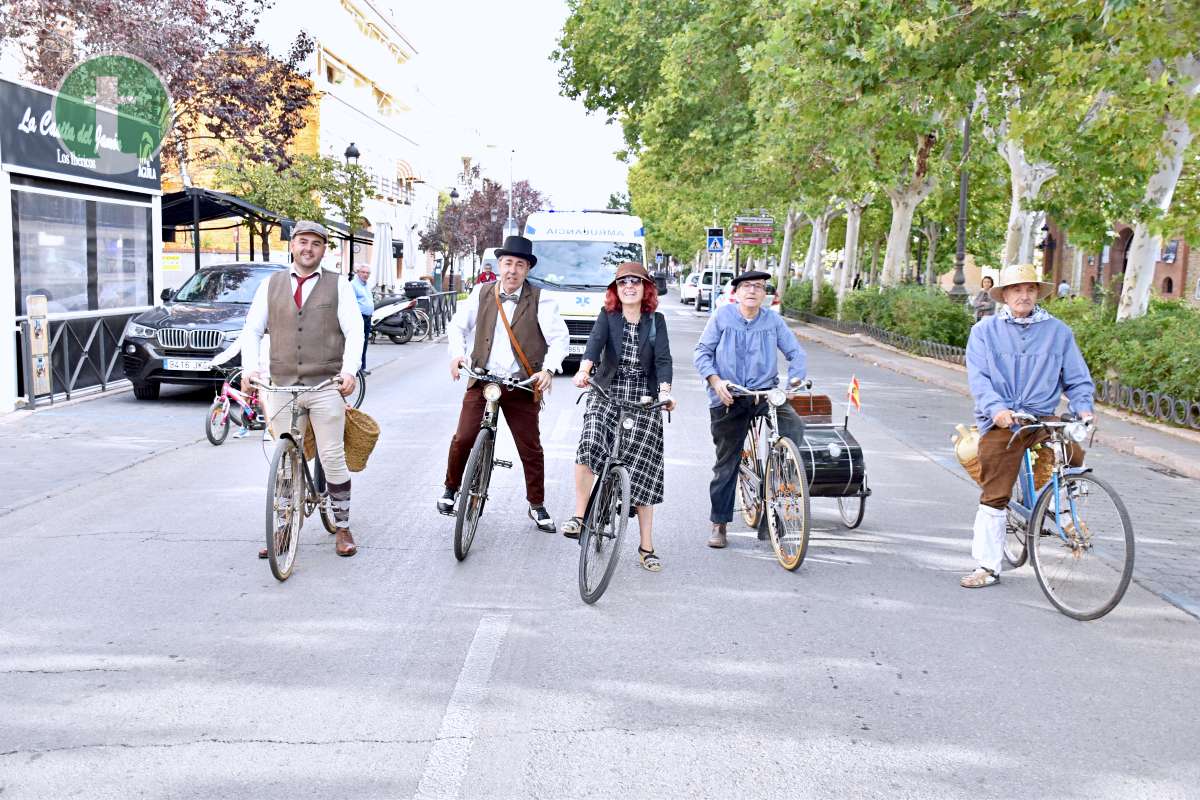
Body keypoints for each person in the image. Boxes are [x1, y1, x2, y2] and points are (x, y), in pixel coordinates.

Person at [961, 263, 1095, 588]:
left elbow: (1077, 380)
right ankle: (987, 567)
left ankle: (1065, 509)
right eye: (1016, 289)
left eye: (1030, 289)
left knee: (1074, 445)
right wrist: (996, 410)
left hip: (1041, 416)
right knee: (995, 491)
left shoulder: (1058, 332)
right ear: (1004, 294)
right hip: (1003, 419)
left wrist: (1084, 410)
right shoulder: (984, 331)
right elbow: (979, 380)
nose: (1024, 295)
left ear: (1037, 293)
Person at [241, 220, 364, 558]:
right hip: (281, 386)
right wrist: (250, 367)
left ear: (324, 250)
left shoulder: (339, 286)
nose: (308, 248)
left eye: (316, 243)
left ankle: (342, 526)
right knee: (284, 462)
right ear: (292, 245)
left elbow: (355, 331)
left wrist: (350, 371)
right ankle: (284, 527)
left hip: (325, 384)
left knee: (332, 457)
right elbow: (252, 330)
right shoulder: (271, 284)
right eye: (302, 242)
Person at [439, 235, 569, 532]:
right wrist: (457, 355)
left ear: (527, 269)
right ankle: (450, 488)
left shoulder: (541, 298)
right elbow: (458, 326)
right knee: (463, 437)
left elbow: (560, 339)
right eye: (508, 263)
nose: (512, 270)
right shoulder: (482, 292)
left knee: (531, 448)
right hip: (484, 380)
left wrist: (548, 369)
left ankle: (537, 505)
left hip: (521, 384)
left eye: (519, 265)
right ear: (499, 265)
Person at [565, 262, 675, 571]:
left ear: (645, 289)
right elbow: (593, 346)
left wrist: (664, 395)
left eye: (636, 282)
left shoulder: (656, 321)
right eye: (623, 282)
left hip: (644, 396)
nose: (629, 286)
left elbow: (664, 360)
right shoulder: (608, 317)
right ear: (615, 289)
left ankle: (646, 547)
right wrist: (584, 371)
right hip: (607, 391)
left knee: (645, 469)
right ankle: (578, 515)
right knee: (589, 441)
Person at [694, 270, 808, 549]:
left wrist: (794, 380)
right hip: (730, 396)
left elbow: (796, 353)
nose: (753, 291)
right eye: (747, 286)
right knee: (726, 463)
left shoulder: (773, 320)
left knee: (794, 426)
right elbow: (702, 353)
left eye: (759, 287)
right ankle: (719, 523)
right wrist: (716, 381)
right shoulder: (722, 317)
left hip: (764, 395)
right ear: (736, 292)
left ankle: (779, 479)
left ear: (765, 294)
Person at [350, 263, 374, 375]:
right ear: (358, 272)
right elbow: (351, 303)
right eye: (363, 272)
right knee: (358, 343)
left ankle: (362, 367)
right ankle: (357, 369)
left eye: (367, 273)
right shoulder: (353, 285)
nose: (365, 274)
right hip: (359, 318)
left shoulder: (366, 285)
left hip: (367, 318)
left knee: (364, 343)